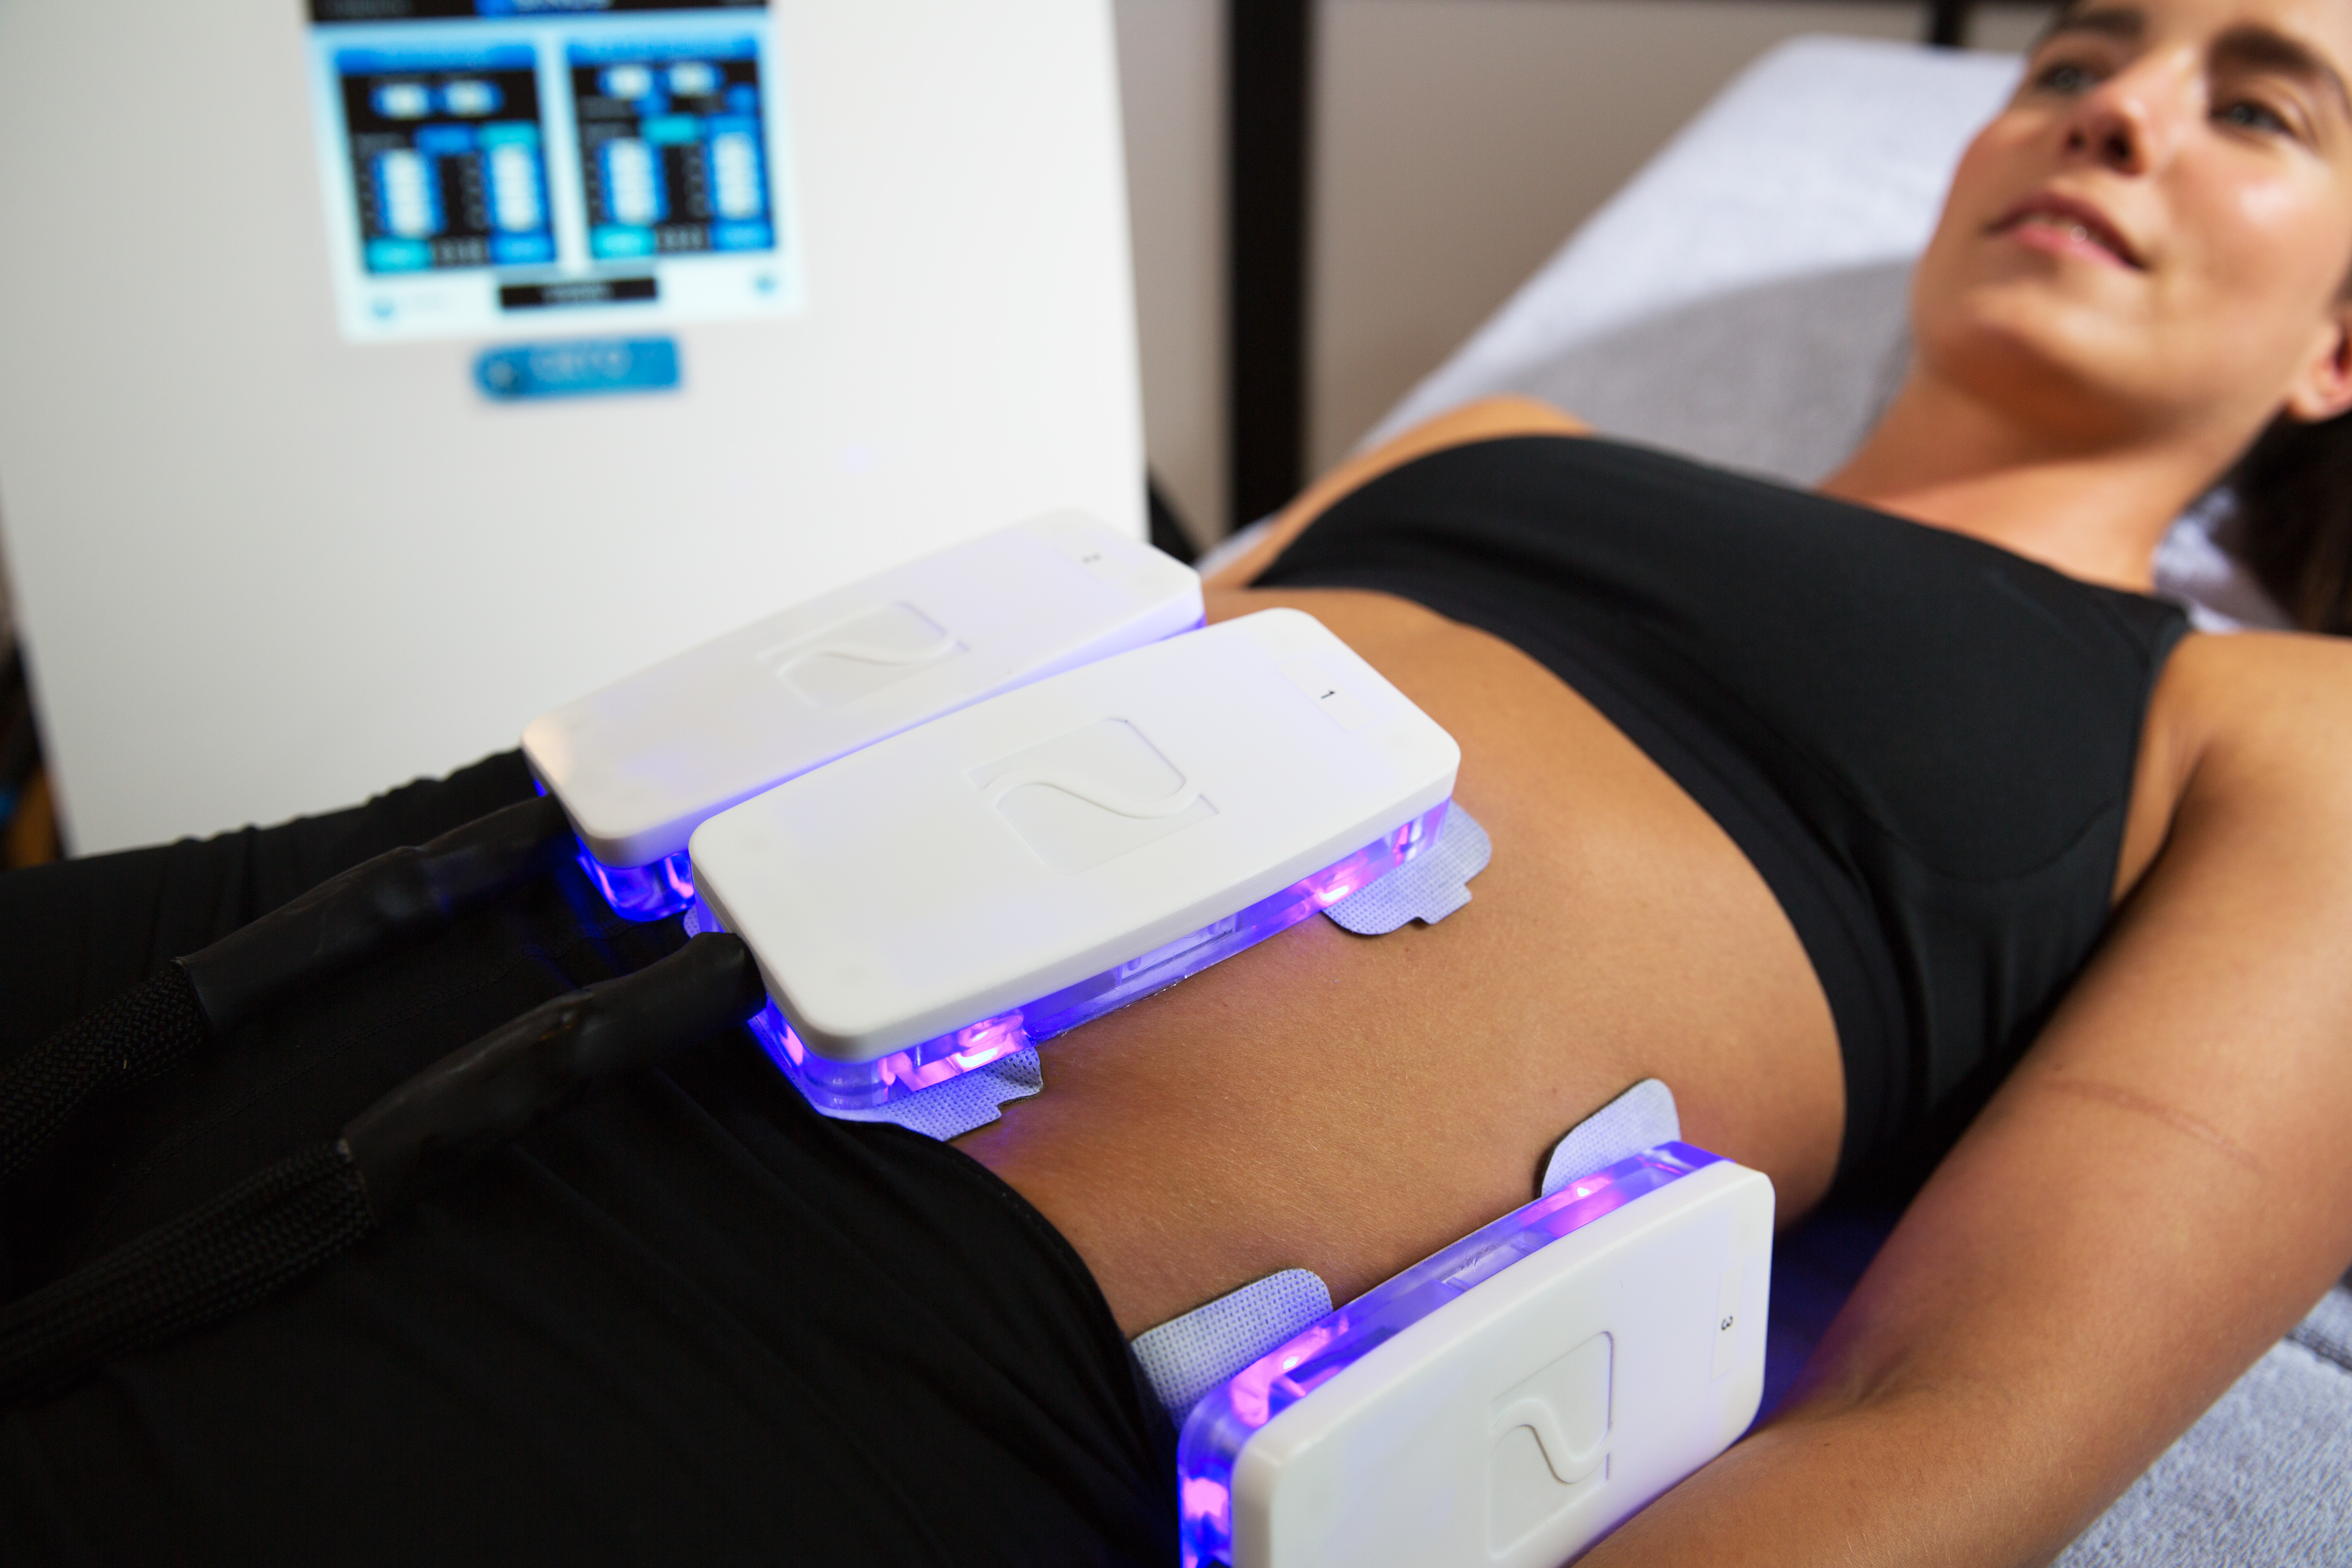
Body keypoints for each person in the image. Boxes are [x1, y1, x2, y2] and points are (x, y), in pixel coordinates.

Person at [4, 0, 2351, 1561]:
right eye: (2073, 58)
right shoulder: (1502, 436)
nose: (2112, 108)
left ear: (2341, 342)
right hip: (443, 892)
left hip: (855, 1305)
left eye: (2255, 107)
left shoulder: (2262, 725)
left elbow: (1946, 1430)